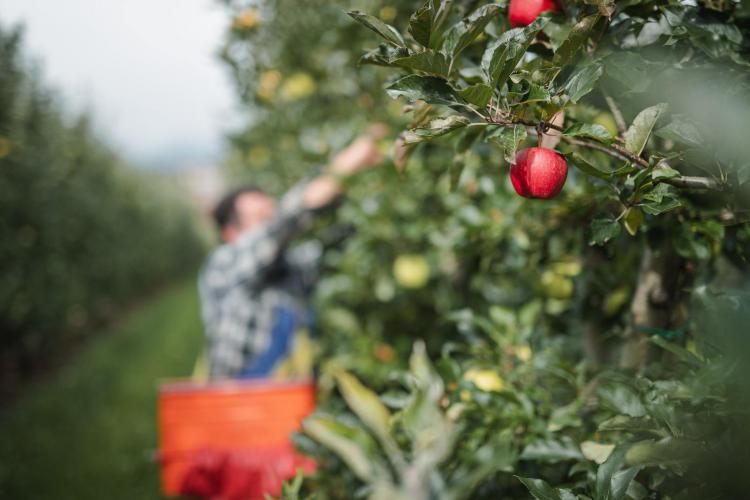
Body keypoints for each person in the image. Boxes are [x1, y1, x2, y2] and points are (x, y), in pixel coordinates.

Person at [199, 134, 383, 379]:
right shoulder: (225, 263)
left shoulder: (291, 262)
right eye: (261, 219)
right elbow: (288, 220)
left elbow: (338, 241)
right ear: (231, 233)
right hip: (237, 403)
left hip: (289, 400)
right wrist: (352, 159)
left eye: (271, 212)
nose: (270, 224)